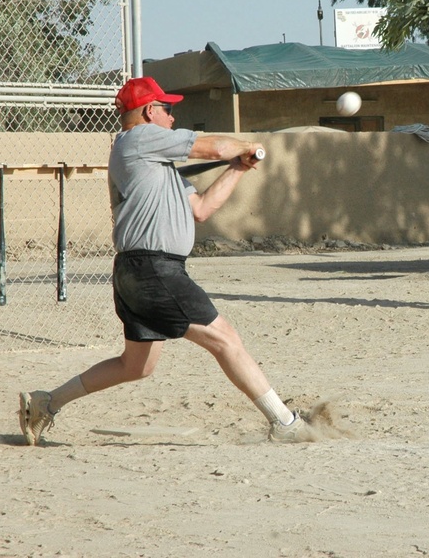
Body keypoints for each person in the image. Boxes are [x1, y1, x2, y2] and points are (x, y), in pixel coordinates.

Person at [17, 76, 313, 445]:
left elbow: (202, 209)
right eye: (167, 110)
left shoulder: (157, 166)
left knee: (136, 366)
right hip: (153, 269)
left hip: (138, 270)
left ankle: (47, 402)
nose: (172, 118)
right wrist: (247, 145)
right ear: (148, 111)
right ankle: (285, 423)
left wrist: (238, 167)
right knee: (226, 340)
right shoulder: (139, 138)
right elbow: (211, 146)